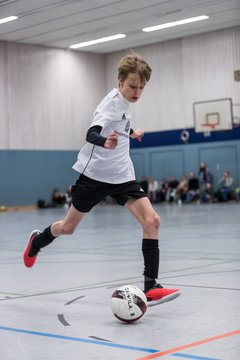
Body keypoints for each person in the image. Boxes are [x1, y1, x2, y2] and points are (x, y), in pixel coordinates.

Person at [23, 53, 180, 306]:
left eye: (141, 87)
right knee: (67, 228)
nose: (137, 91)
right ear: (120, 81)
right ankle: (37, 241)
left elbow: (119, 125)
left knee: (152, 220)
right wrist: (104, 141)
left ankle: (150, 286)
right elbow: (92, 132)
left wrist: (131, 132)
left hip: (122, 176)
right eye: (132, 86)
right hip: (95, 176)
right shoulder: (109, 103)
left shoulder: (125, 103)